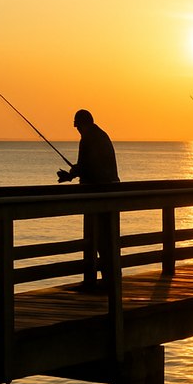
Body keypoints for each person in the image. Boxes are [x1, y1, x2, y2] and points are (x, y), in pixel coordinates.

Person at [57, 109, 120, 286]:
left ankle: (102, 281)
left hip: (97, 195)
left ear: (82, 123)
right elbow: (89, 165)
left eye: (77, 125)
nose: (76, 129)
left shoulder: (87, 138)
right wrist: (71, 174)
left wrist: (70, 175)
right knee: (108, 237)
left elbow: (85, 167)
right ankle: (111, 278)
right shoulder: (102, 135)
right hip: (112, 191)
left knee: (99, 238)